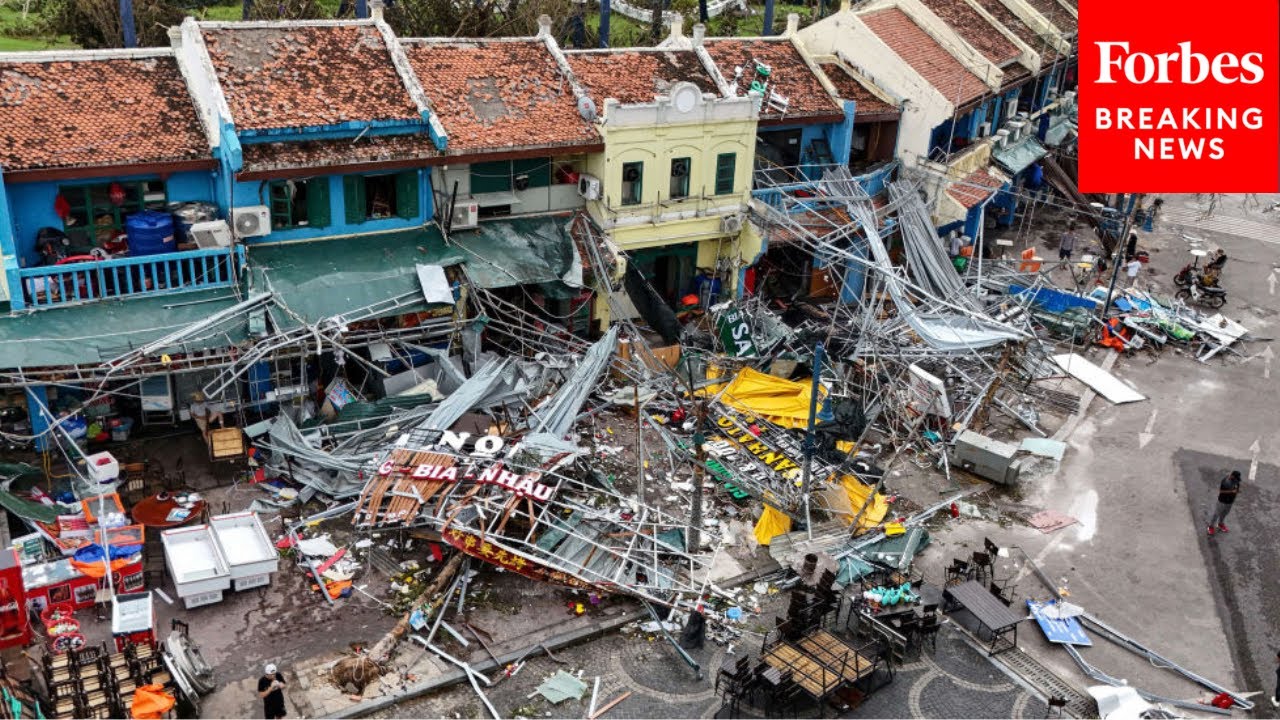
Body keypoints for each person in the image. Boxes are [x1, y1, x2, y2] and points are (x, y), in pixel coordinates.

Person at [1206, 470, 1242, 536]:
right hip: (1222, 501)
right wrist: (1231, 491)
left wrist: (1237, 491)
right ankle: (1211, 527)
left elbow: (1236, 489)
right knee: (1216, 514)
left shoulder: (1237, 481)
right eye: (1236, 478)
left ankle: (1220, 524)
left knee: (1224, 513)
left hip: (1230, 502)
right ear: (1232, 476)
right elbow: (1221, 491)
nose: (1237, 480)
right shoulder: (1225, 481)